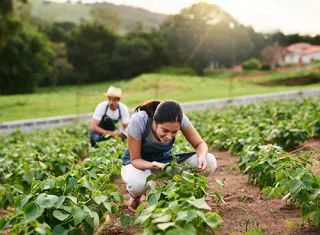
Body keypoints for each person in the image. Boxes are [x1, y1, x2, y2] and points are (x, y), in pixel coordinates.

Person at [121, 100, 217, 211]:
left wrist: (201, 157)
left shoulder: (179, 119)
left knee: (209, 161)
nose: (168, 136)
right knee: (138, 185)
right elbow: (135, 159)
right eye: (164, 130)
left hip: (164, 163)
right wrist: (152, 164)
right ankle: (135, 196)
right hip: (138, 164)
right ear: (155, 122)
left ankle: (181, 194)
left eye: (174, 132)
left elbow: (200, 144)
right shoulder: (139, 120)